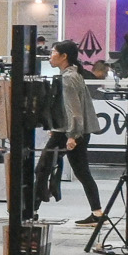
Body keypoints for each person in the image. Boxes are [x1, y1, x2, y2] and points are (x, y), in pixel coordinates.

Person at [42, 41, 104, 225]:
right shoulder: (73, 74)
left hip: (70, 133)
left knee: (43, 168)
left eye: (53, 52)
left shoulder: (68, 78)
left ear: (64, 56)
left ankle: (31, 210)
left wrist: (72, 135)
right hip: (69, 131)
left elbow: (74, 110)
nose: (50, 56)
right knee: (81, 172)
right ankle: (98, 213)